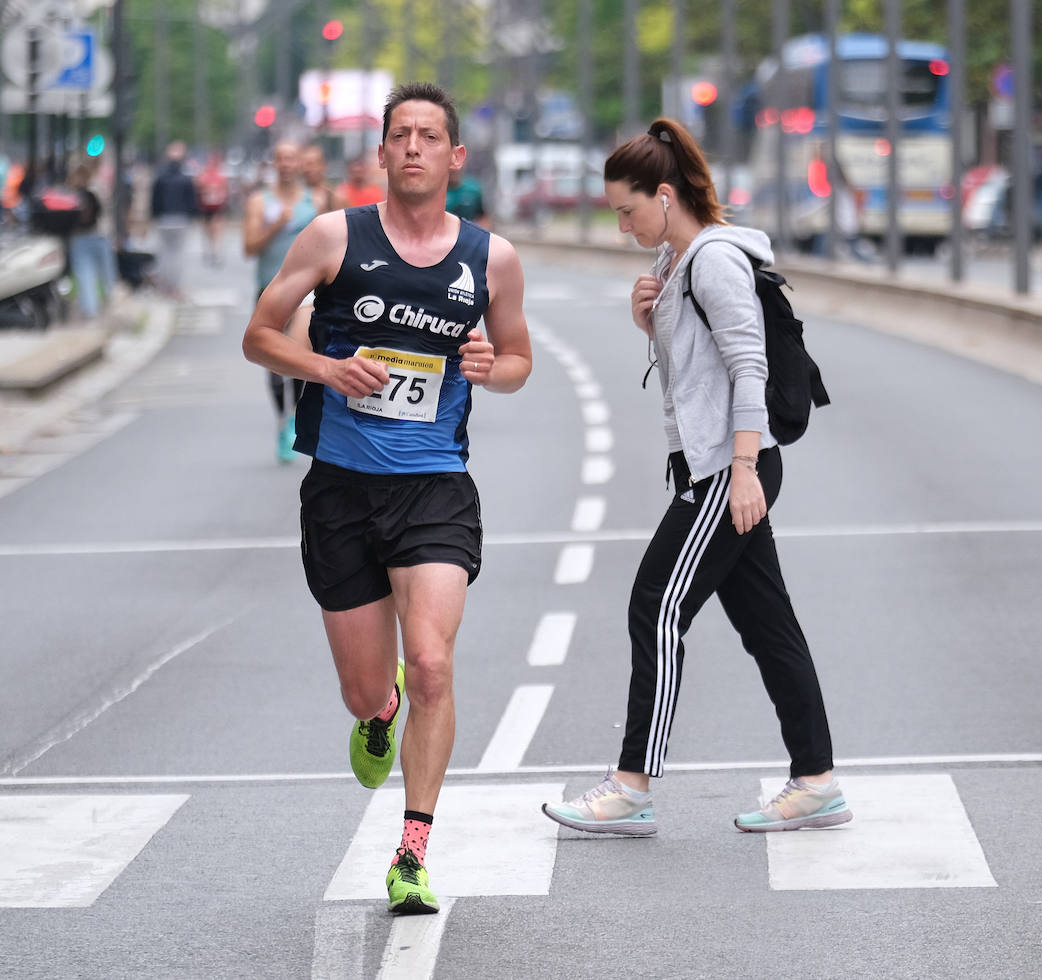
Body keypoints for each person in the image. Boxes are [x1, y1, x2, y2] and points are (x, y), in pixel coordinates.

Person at [242, 81, 532, 915]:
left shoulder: (491, 258)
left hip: (435, 484)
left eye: (427, 135)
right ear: (380, 154)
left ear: (452, 156)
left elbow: (517, 358)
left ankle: (411, 852)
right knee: (367, 690)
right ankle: (382, 710)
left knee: (437, 662)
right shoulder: (335, 236)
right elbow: (260, 334)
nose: (412, 147)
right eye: (399, 134)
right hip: (340, 487)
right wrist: (326, 368)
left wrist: (492, 370)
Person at [542, 118, 851, 837]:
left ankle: (630, 786)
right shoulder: (681, 263)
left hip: (726, 470)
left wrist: (743, 469)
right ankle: (817, 781)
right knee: (768, 625)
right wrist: (649, 324)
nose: (622, 226)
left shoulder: (712, 259)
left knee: (655, 606)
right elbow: (704, 370)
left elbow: (750, 366)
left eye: (628, 209)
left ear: (666, 194)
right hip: (720, 465)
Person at [243, 140, 319, 462]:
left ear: (300, 164)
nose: (287, 164)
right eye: (281, 159)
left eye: (292, 158)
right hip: (269, 289)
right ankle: (282, 420)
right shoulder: (260, 202)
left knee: (300, 354)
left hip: (307, 292)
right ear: (274, 163)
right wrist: (274, 226)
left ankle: (297, 417)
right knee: (273, 359)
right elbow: (249, 247)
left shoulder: (315, 200)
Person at [66, 161, 118, 319]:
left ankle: (91, 312)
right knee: (107, 275)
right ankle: (112, 309)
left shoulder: (71, 194)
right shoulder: (98, 188)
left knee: (85, 276)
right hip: (99, 235)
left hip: (79, 238)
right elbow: (107, 211)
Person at [149, 140, 199, 298]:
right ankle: (175, 287)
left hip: (163, 219)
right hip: (181, 219)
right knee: (178, 255)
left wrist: (155, 216)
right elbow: (192, 201)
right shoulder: (186, 179)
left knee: (164, 254)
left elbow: (154, 200)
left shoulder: (160, 178)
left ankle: (165, 286)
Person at [196, 153, 230, 265]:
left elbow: (225, 191)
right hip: (206, 207)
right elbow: (199, 190)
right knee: (208, 230)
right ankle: (210, 249)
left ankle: (215, 251)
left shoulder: (220, 176)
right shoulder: (203, 176)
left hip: (217, 207)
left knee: (215, 229)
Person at [302, 144, 335, 212]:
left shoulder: (334, 196)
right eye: (303, 165)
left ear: (323, 165)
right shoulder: (298, 195)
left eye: (310, 164)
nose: (306, 169)